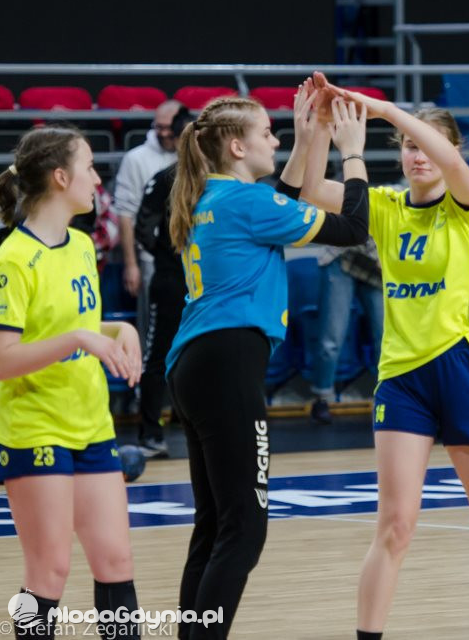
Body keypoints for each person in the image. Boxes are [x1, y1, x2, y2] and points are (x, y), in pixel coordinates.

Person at [299, 83, 469, 640]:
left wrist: (386, 109)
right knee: (394, 527)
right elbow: (311, 190)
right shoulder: (386, 206)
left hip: (466, 370)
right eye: (408, 146)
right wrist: (320, 130)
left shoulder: (468, 203)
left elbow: (451, 163)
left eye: (426, 144)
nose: (417, 155)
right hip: (403, 379)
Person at [164, 82, 369, 639]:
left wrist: (309, 136)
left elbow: (285, 198)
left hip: (195, 365)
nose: (274, 141)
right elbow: (353, 229)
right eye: (266, 133)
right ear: (237, 147)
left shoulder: (212, 198)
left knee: (215, 527)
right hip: (228, 363)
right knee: (245, 530)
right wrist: (352, 152)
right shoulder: (247, 204)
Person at [0, 126, 144, 640]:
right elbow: (3, 359)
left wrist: (118, 331)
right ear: (60, 177)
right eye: (89, 167)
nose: (98, 179)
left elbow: (71, 326)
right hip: (36, 427)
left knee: (116, 560)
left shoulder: (81, 245)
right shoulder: (12, 259)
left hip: (91, 423)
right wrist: (81, 339)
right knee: (49, 571)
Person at [133, 107, 195, 455]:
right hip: (173, 282)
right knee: (158, 357)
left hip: (204, 285)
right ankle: (150, 433)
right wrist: (169, 255)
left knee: (199, 357)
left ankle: (193, 427)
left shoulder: (217, 183)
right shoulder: (164, 178)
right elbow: (143, 228)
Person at [113, 99, 182, 351]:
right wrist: (131, 265)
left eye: (168, 127)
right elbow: (125, 214)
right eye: (158, 127)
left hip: (188, 260)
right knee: (153, 333)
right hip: (152, 260)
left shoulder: (194, 157)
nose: (163, 133)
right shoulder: (136, 159)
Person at [308, 239, 384, 424]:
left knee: (385, 339)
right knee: (331, 338)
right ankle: (322, 398)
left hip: (377, 266)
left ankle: (386, 400)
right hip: (343, 256)